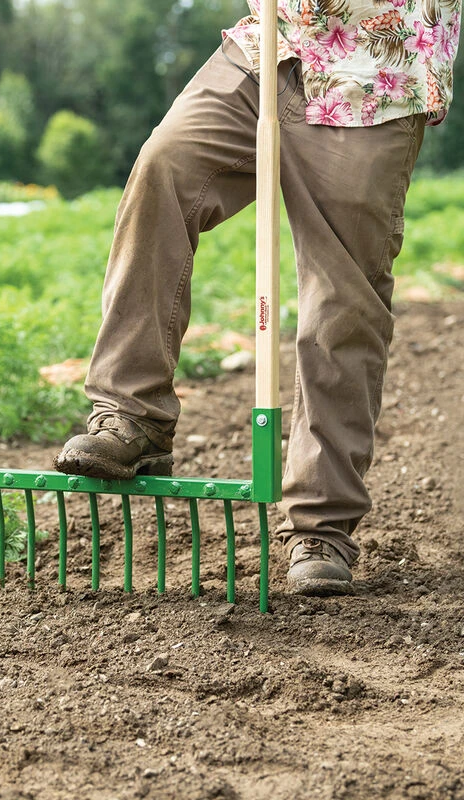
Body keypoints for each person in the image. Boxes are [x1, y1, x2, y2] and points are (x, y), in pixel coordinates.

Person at [53, 1, 461, 595]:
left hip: (376, 71)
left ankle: (322, 525)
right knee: (164, 168)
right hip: (271, 43)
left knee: (342, 295)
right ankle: (132, 415)